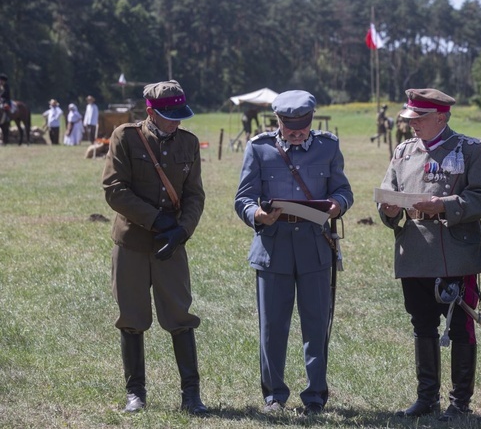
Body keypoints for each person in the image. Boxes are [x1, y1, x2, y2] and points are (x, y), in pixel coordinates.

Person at [378, 88, 481, 421]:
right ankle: (426, 398)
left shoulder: (470, 149)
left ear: (440, 117)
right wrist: (387, 209)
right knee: (422, 325)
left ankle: (460, 403)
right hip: (414, 250)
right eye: (409, 119)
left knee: (461, 327)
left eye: (418, 119)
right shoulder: (402, 152)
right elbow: (388, 191)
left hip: (456, 254)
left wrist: (443, 205)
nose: (411, 125)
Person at [234, 90, 354, 416]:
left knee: (316, 325)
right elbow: (243, 198)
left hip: (315, 245)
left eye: (304, 126)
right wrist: (256, 215)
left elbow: (343, 190)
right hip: (272, 245)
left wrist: (337, 205)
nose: (298, 133)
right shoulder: (259, 148)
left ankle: (315, 396)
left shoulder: (328, 146)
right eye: (291, 128)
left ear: (311, 120)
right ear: (278, 121)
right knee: (273, 327)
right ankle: (274, 396)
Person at [101, 80, 208, 415]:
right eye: (168, 115)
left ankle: (191, 395)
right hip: (132, 241)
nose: (176, 121)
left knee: (180, 316)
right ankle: (136, 393)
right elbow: (114, 189)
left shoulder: (189, 144)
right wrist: (158, 221)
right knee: (131, 317)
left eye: (179, 115)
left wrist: (181, 231)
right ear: (150, 111)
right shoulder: (125, 137)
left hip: (171, 243)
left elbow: (194, 195)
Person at [0, 73, 11, 144]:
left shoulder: (6, 86)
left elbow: (6, 95)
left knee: (4, 107)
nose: (0, 81)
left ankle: (6, 118)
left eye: (1, 80)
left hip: (5, 100)